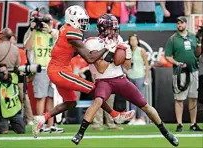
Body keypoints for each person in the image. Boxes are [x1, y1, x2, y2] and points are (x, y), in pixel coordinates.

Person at [72, 13, 179, 147]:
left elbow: (127, 67)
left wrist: (127, 56)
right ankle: (80, 134)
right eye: (111, 27)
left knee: (145, 105)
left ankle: (166, 133)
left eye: (115, 27)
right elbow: (101, 69)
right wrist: (110, 51)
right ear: (103, 28)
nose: (114, 31)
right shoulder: (93, 42)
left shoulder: (119, 39)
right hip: (103, 80)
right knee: (98, 101)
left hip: (120, 79)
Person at [32, 5, 134, 138]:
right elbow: (90, 59)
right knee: (94, 90)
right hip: (59, 71)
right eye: (81, 20)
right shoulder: (73, 32)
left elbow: (69, 48)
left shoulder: (66, 28)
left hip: (58, 69)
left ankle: (41, 119)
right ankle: (116, 115)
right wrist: (107, 48)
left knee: (71, 102)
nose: (84, 23)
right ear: (73, 20)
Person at [24, 13, 63, 133]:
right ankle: (39, 125)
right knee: (41, 97)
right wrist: (33, 29)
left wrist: (49, 29)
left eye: (49, 20)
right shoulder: (35, 33)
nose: (47, 22)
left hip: (54, 68)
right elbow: (28, 46)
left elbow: (61, 40)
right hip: (41, 68)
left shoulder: (55, 32)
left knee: (52, 97)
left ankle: (51, 125)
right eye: (45, 20)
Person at [165, 16, 203, 132]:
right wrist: (177, 62)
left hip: (194, 70)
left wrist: (200, 43)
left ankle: (193, 123)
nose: (179, 25)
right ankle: (179, 124)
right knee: (179, 98)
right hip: (180, 71)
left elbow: (197, 54)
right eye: (178, 23)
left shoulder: (193, 37)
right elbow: (167, 56)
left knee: (193, 98)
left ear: (186, 24)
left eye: (181, 23)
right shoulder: (173, 39)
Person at [0, 64, 25, 134]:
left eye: (5, 71)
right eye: (1, 72)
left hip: (14, 110)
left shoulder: (14, 76)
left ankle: (8, 125)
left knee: (21, 131)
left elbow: (28, 79)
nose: (4, 73)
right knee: (4, 132)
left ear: (7, 70)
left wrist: (32, 73)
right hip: (2, 112)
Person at [10, 35, 34, 125]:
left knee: (24, 98)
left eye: (12, 40)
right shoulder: (6, 51)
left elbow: (22, 67)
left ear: (15, 41)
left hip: (19, 79)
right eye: (9, 40)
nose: (11, 42)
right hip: (7, 79)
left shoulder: (20, 52)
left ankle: (29, 119)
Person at [127, 34, 149, 125]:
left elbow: (147, 64)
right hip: (130, 76)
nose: (133, 42)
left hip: (140, 76)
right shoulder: (128, 51)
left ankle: (142, 117)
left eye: (134, 40)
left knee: (140, 98)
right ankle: (132, 118)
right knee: (132, 98)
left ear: (137, 41)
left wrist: (147, 77)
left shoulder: (141, 50)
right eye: (131, 40)